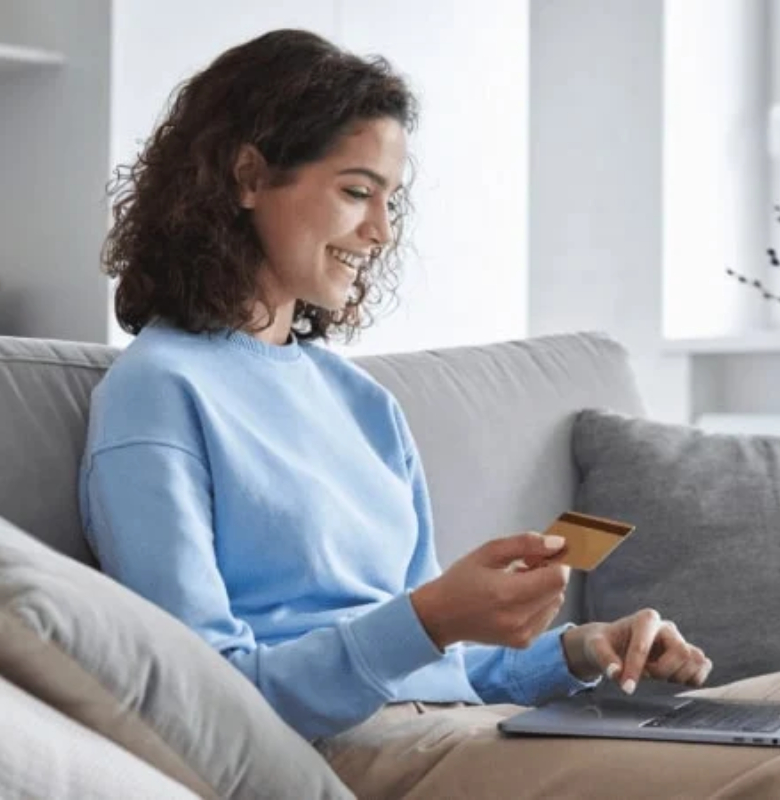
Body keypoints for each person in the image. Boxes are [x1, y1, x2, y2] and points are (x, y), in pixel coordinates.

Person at [79, 28, 780, 799]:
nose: (381, 232)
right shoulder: (158, 391)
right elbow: (203, 695)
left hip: (460, 726)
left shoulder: (361, 404)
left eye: (390, 199)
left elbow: (446, 665)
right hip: (339, 749)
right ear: (248, 175)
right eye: (356, 191)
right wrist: (430, 615)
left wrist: (582, 649)